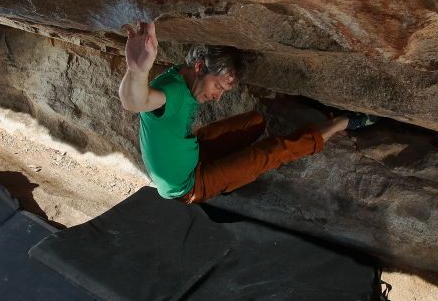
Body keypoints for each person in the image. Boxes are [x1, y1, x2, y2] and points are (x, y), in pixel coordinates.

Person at [119, 21, 378, 204]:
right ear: (199, 66)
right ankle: (341, 122)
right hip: (187, 185)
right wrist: (137, 70)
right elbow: (135, 102)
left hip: (194, 152)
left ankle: (231, 173)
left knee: (254, 121)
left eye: (223, 90)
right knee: (268, 153)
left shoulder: (184, 73)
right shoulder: (171, 93)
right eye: (218, 86)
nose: (217, 96)